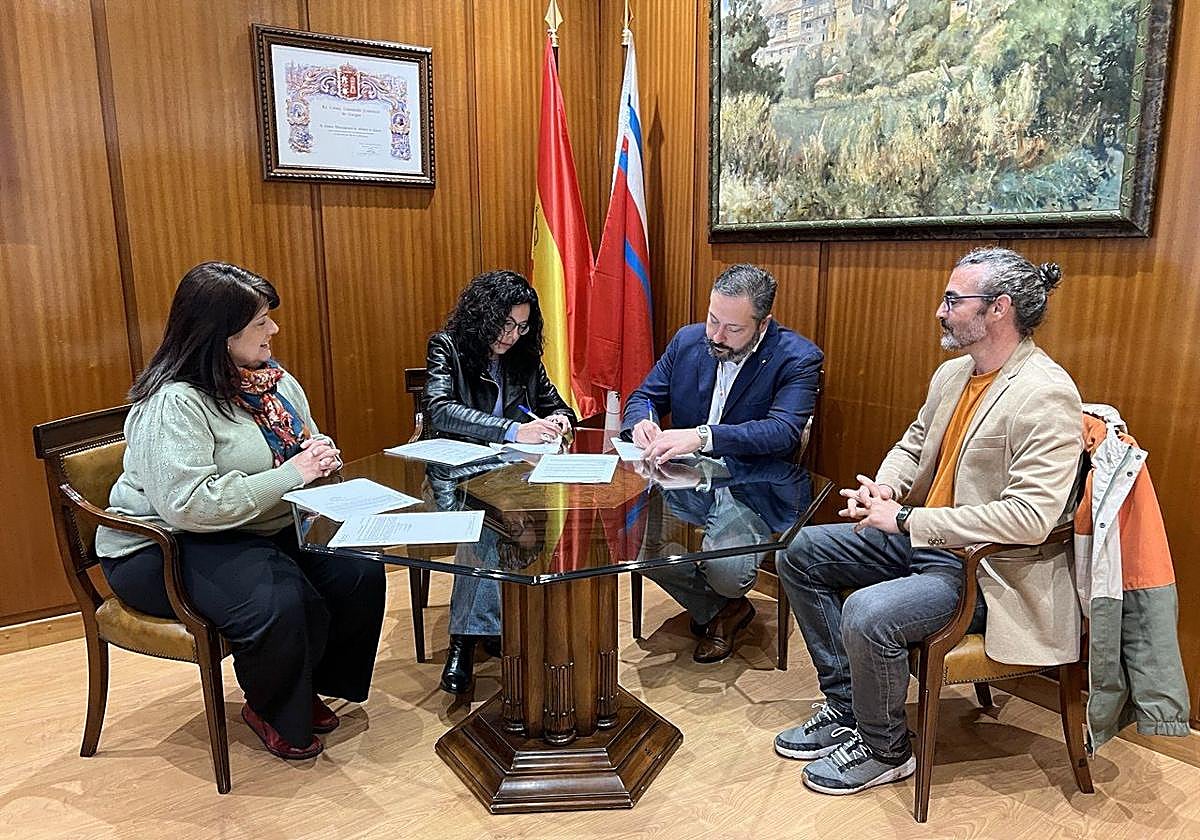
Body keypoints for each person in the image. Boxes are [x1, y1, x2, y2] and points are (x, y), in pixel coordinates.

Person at [774, 247, 1083, 796]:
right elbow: (915, 443)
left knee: (870, 611)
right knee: (800, 552)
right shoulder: (954, 373)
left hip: (985, 570)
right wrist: (887, 488)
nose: (940, 311)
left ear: (998, 309)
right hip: (922, 538)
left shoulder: (1046, 393)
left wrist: (909, 519)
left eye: (952, 300)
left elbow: (1031, 517)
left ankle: (886, 747)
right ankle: (848, 705)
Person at [96, 261, 385, 761]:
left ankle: (305, 685)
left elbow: (301, 445)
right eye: (260, 322)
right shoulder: (175, 404)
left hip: (253, 527)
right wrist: (295, 472)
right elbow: (190, 505)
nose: (273, 329)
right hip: (163, 546)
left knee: (358, 571)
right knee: (281, 600)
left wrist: (319, 455)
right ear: (221, 335)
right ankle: (272, 708)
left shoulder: (274, 382)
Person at [620, 263, 822, 662]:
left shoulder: (797, 357)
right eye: (713, 319)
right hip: (683, 476)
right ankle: (723, 611)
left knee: (728, 574)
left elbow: (782, 431)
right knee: (627, 545)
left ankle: (724, 599)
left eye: (733, 329)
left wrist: (703, 436)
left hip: (750, 482)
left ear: (763, 324)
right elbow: (644, 396)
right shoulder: (688, 340)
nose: (716, 336)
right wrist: (642, 420)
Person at [424, 269, 576, 693]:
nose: (512, 336)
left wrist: (560, 421)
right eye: (505, 324)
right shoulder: (447, 347)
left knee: (514, 512)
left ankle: (481, 631)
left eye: (522, 326)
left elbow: (559, 407)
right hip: (454, 469)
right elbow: (440, 409)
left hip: (509, 473)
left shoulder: (524, 357)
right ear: (482, 316)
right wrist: (511, 430)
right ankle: (468, 640)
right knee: (487, 518)